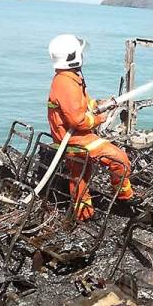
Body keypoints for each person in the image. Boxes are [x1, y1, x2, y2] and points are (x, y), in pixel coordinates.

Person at [47, 34, 134, 221]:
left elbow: (82, 105)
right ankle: (123, 197)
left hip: (69, 138)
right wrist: (99, 119)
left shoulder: (69, 78)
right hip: (76, 139)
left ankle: (83, 213)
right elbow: (78, 121)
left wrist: (99, 104)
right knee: (120, 160)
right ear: (73, 56)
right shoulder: (66, 84)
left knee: (80, 175)